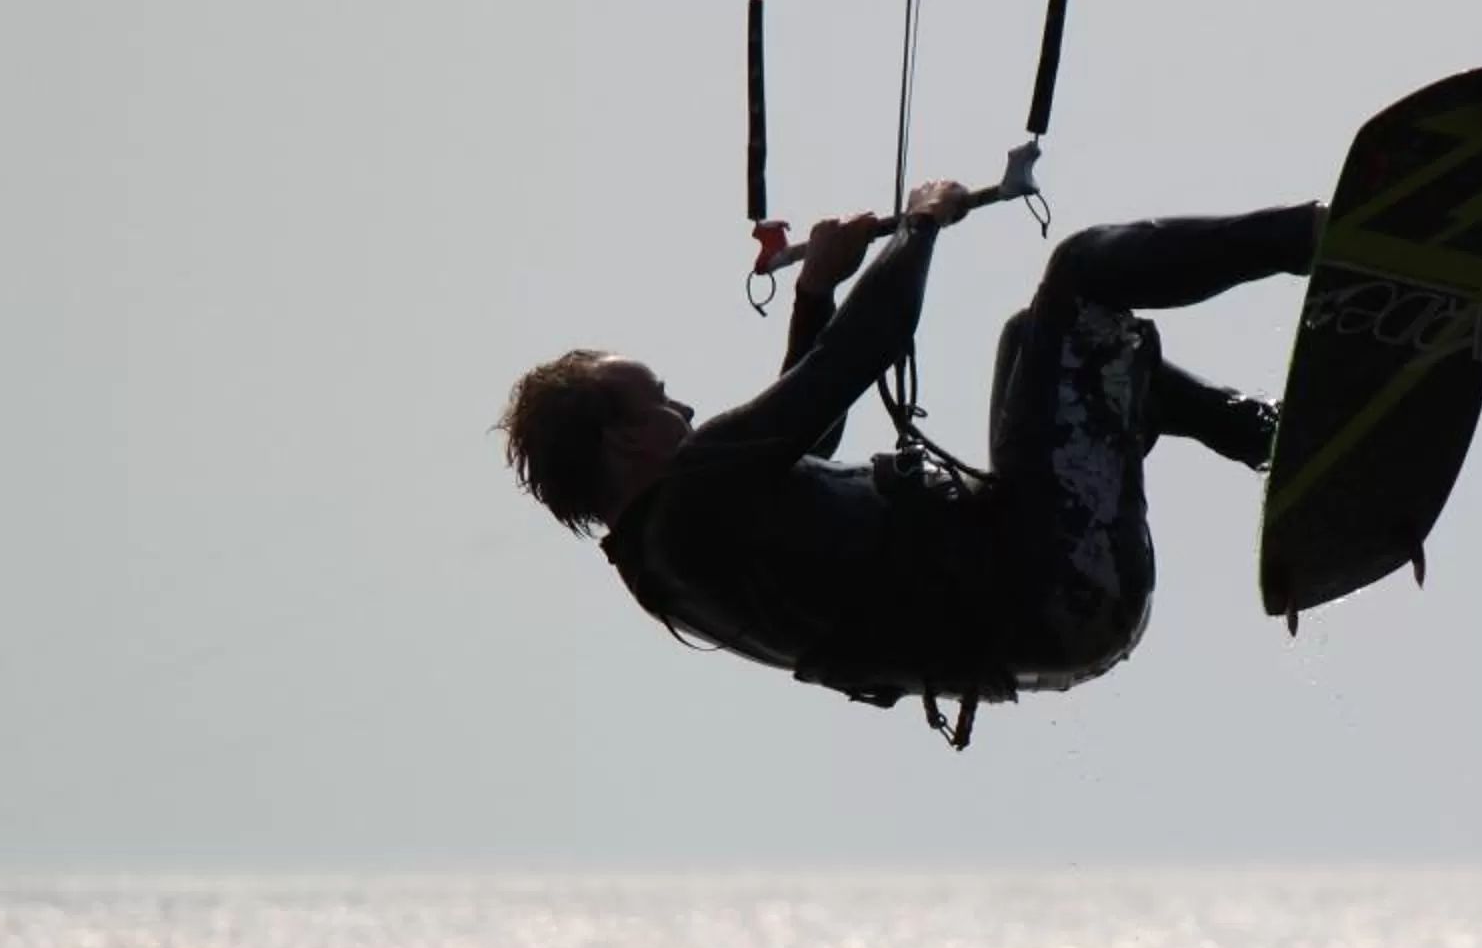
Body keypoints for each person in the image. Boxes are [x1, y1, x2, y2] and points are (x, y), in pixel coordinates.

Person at [498, 147, 1322, 738]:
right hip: (1056, 578)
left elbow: (804, 434)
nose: (682, 406)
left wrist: (816, 289)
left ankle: (1268, 436)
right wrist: (921, 225)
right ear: (624, 440)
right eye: (659, 398)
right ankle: (1319, 237)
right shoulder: (689, 501)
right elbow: (863, 353)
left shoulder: (671, 554)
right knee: (1080, 274)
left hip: (1048, 619)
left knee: (1042, 335)